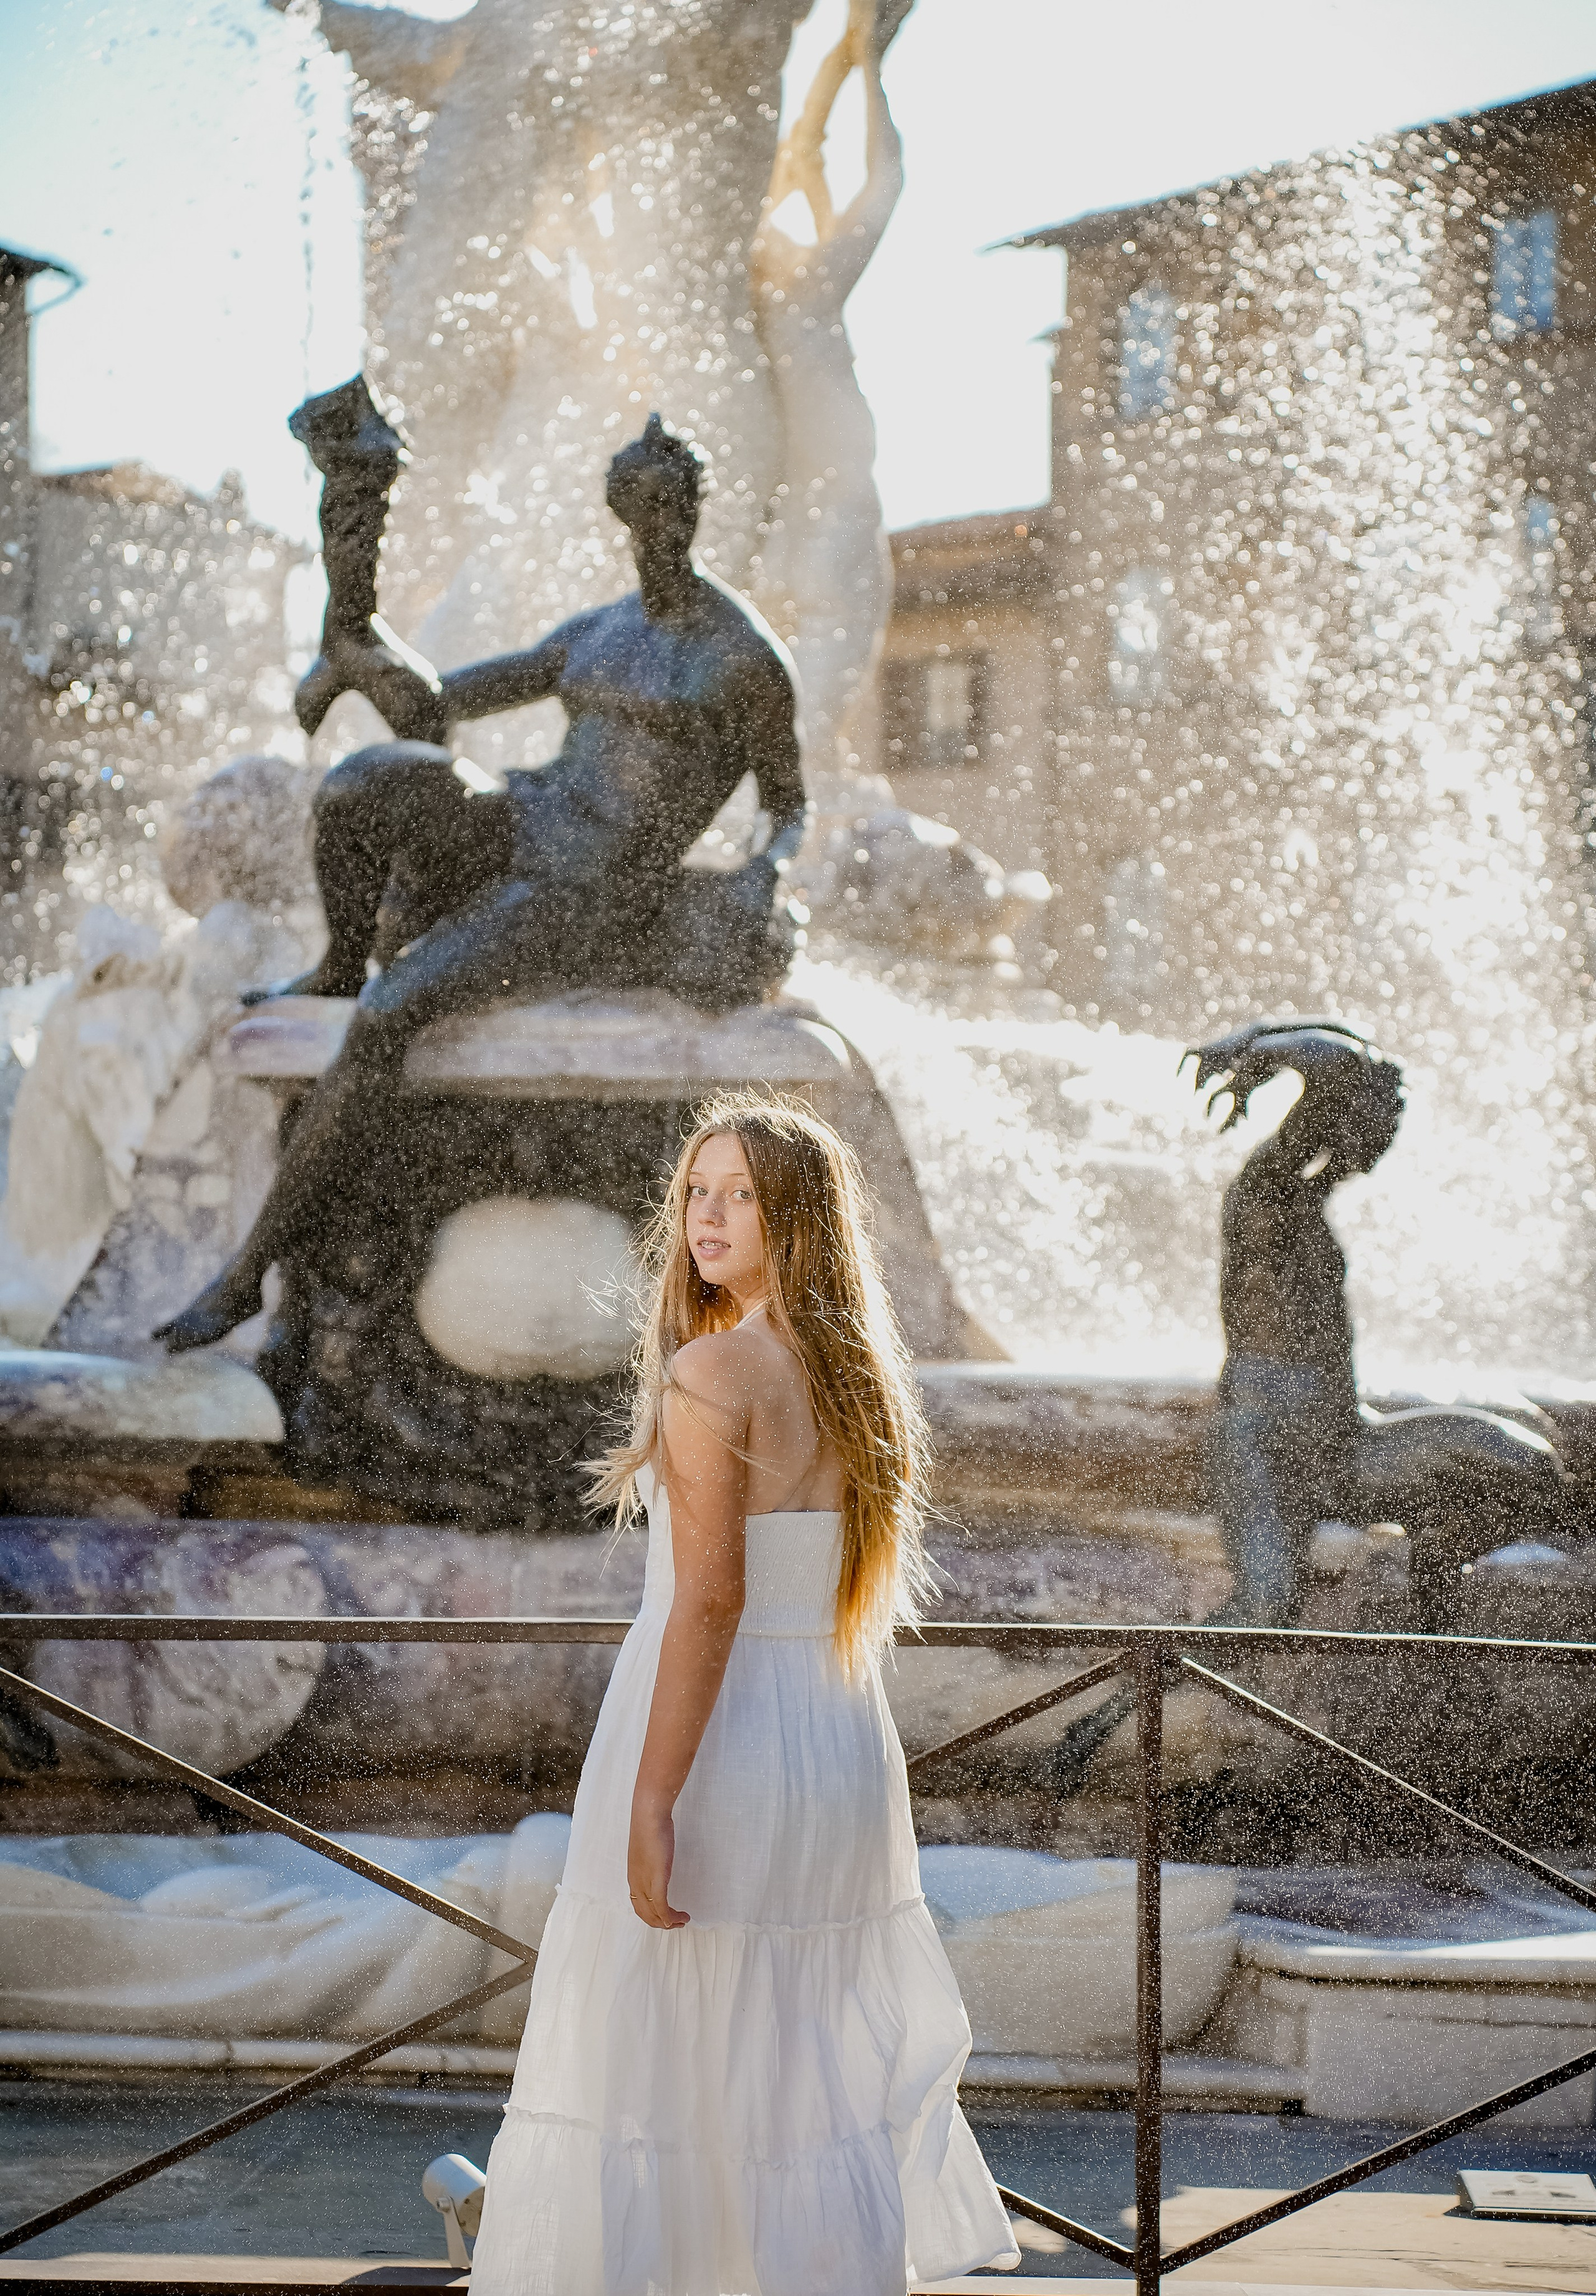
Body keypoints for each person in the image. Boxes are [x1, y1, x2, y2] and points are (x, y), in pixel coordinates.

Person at [467, 1093, 1019, 2296]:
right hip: (829, 1733)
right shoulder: (855, 1372)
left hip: (723, 1743)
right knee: (799, 2057)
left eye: (743, 1196)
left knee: (667, 2049)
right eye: (698, 1192)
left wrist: (654, 1797)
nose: (708, 1217)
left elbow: (708, 1603)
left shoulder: (717, 1370)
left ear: (800, 1220)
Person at [156, 398, 807, 1352]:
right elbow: (445, 703)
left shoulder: (743, 658)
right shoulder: (598, 631)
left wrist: (765, 870)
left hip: (596, 888)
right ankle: (339, 960)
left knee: (393, 1014)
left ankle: (250, 1272)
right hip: (526, 820)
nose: (658, 528)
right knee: (367, 780)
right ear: (624, 516)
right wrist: (359, 633)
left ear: (695, 513)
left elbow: (792, 803)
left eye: (674, 509)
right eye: (642, 510)